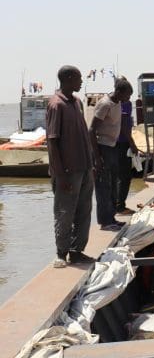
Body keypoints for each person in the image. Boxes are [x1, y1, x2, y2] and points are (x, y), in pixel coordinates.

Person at [46, 65, 95, 268]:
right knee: (65, 212)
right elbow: (52, 141)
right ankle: (62, 252)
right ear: (67, 78)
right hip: (68, 171)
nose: (81, 81)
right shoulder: (56, 104)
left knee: (84, 210)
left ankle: (77, 251)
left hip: (84, 167)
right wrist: (61, 174)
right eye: (78, 78)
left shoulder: (76, 102)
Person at [90, 78, 134, 230]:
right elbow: (91, 131)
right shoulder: (105, 104)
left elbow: (120, 125)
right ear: (119, 92)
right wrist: (97, 157)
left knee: (114, 184)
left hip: (113, 147)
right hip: (103, 147)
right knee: (103, 186)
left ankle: (112, 217)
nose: (128, 99)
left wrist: (131, 143)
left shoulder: (118, 103)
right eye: (127, 96)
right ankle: (105, 221)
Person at [114, 94, 140, 215]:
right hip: (122, 143)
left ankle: (116, 205)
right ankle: (120, 207)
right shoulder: (125, 103)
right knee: (124, 176)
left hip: (114, 142)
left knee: (118, 175)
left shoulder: (114, 103)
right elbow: (124, 124)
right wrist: (132, 143)